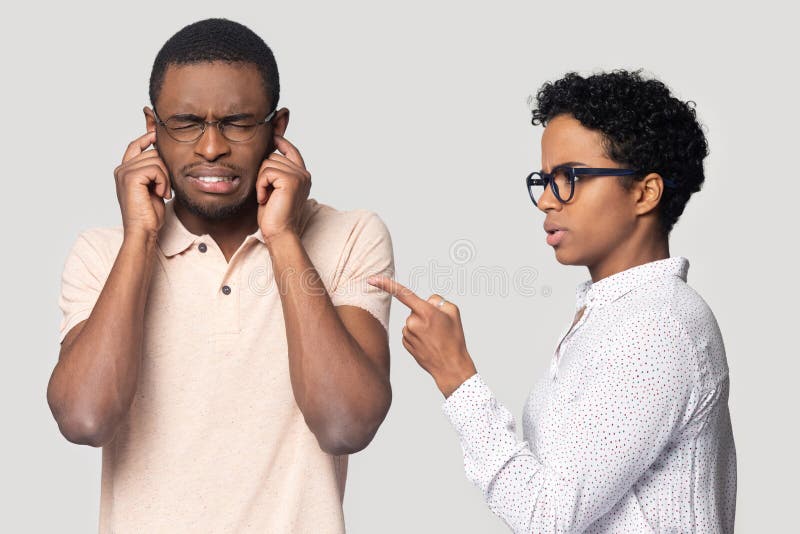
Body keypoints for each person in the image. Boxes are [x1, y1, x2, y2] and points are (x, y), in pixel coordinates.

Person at [47, 18, 394, 533]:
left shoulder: (348, 237)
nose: (211, 148)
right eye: (185, 123)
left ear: (277, 130)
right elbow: (85, 420)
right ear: (151, 128)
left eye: (237, 122)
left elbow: (345, 424)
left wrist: (283, 239)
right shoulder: (104, 253)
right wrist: (140, 237)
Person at [369, 70, 736, 533]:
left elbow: (549, 515)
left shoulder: (658, 326)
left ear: (645, 192)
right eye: (545, 179)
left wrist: (456, 376)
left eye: (571, 178)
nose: (546, 199)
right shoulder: (616, 313)